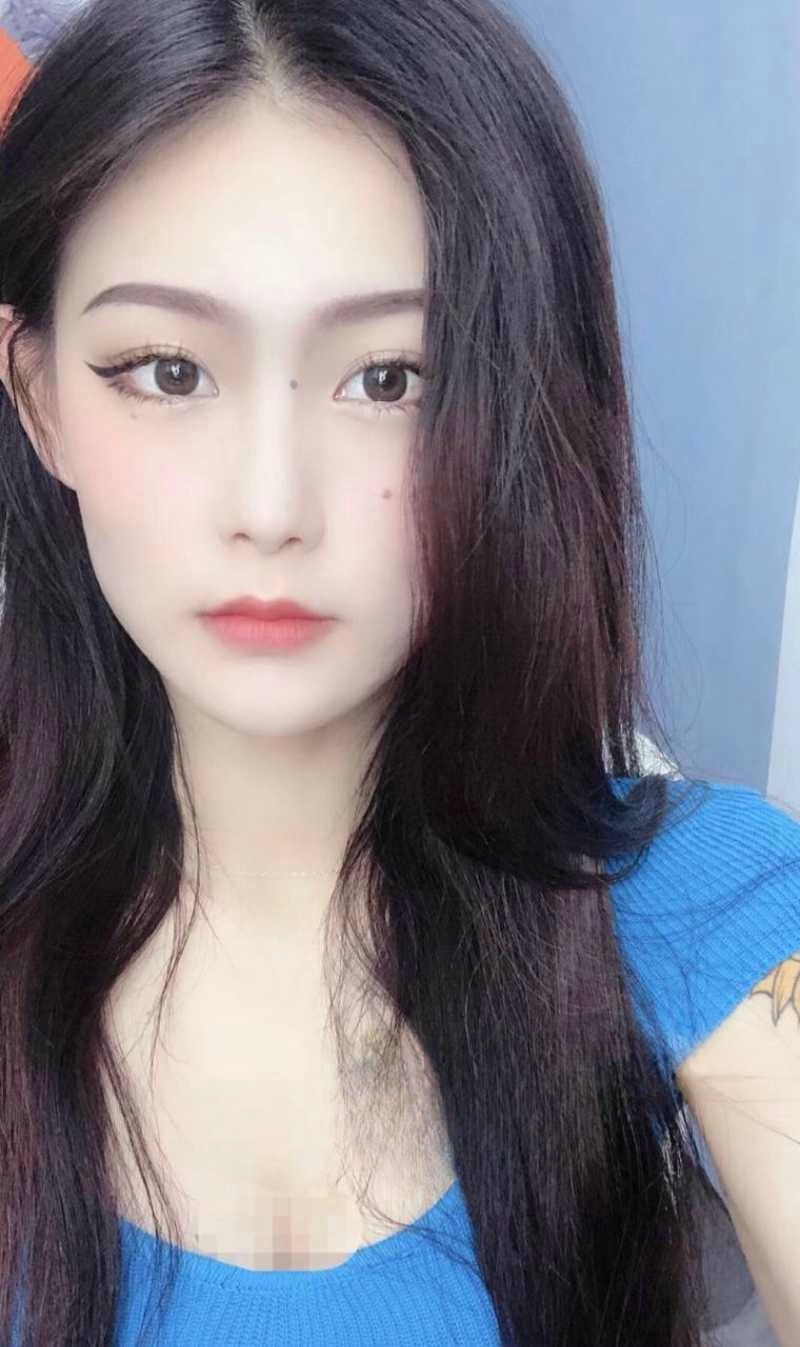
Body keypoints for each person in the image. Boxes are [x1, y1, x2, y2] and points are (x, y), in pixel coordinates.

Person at [0, 1, 798, 1345]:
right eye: (168, 371)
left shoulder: (704, 906)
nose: (270, 507)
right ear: (38, 400)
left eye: (389, 380)